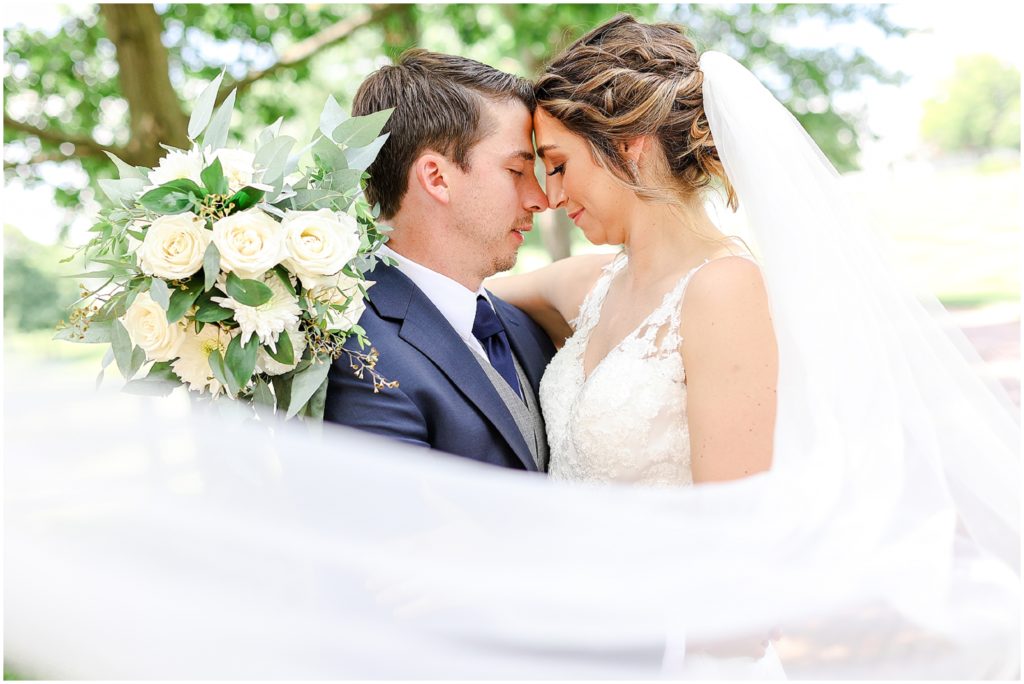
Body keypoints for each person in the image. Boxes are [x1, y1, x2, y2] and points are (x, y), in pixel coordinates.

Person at [488, 15, 778, 486]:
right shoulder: (587, 283)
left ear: (627, 148)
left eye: (558, 166)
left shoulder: (727, 291)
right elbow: (453, 291)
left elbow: (735, 521)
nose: (552, 198)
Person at [324, 49, 556, 473]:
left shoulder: (528, 326)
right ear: (436, 177)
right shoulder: (353, 353)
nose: (540, 199)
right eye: (516, 171)